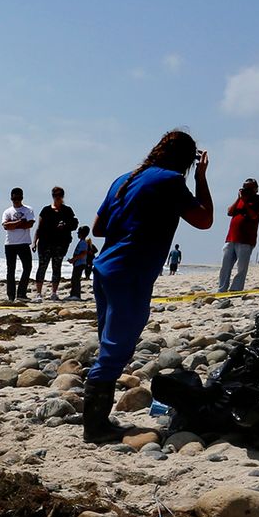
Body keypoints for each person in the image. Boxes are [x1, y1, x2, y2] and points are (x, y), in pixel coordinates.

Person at [83, 129, 214, 443]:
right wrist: (201, 178)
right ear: (187, 160)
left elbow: (99, 228)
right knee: (116, 350)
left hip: (104, 269)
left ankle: (98, 421)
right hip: (131, 272)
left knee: (110, 344)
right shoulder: (170, 181)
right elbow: (205, 219)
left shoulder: (123, 179)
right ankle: (95, 428)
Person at [218, 178, 259, 294]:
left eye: (249, 188)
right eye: (245, 188)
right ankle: (222, 288)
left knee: (241, 267)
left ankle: (236, 289)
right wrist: (239, 198)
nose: (247, 190)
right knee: (225, 266)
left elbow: (253, 216)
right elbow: (229, 212)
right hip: (231, 238)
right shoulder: (240, 199)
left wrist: (245, 201)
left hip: (246, 239)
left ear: (256, 189)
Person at [35, 187, 78, 300]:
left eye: (59, 195)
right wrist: (34, 242)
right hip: (44, 244)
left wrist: (65, 225)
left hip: (60, 244)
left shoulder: (67, 211)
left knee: (56, 267)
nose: (57, 197)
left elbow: (74, 224)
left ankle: (54, 293)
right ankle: (38, 293)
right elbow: (39, 228)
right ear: (52, 196)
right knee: (42, 267)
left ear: (62, 196)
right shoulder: (46, 210)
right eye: (55, 195)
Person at [1, 188, 36, 301]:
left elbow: (29, 224)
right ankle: (11, 295)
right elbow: (6, 226)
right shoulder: (7, 212)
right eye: (14, 198)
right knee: (11, 269)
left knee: (27, 267)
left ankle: (21, 293)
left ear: (22, 198)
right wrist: (20, 222)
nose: (16, 200)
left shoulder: (28, 209)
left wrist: (14, 225)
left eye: (18, 198)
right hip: (10, 244)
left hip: (24, 243)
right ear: (11, 198)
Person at [69, 226, 95, 299]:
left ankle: (76, 295)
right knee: (74, 278)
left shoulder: (83, 243)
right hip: (78, 263)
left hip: (80, 263)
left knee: (76, 279)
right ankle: (73, 294)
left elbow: (83, 253)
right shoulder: (82, 242)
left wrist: (74, 259)